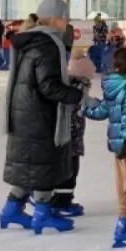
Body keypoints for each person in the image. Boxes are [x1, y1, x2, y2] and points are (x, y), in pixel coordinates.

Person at [0, 0, 95, 235]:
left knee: (30, 164)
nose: (67, 20)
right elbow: (49, 86)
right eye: (64, 16)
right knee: (43, 164)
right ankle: (43, 213)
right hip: (40, 115)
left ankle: (11, 209)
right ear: (54, 18)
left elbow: (38, 80)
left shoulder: (31, 40)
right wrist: (79, 96)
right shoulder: (48, 43)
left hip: (24, 112)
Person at [84, 47, 126, 248]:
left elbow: (104, 110)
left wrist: (85, 109)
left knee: (123, 181)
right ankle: (125, 223)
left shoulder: (112, 84)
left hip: (117, 142)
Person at [51, 49, 96, 219]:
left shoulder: (68, 87)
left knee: (65, 170)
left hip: (65, 138)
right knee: (69, 171)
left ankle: (60, 199)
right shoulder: (77, 90)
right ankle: (62, 202)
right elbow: (82, 108)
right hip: (70, 138)